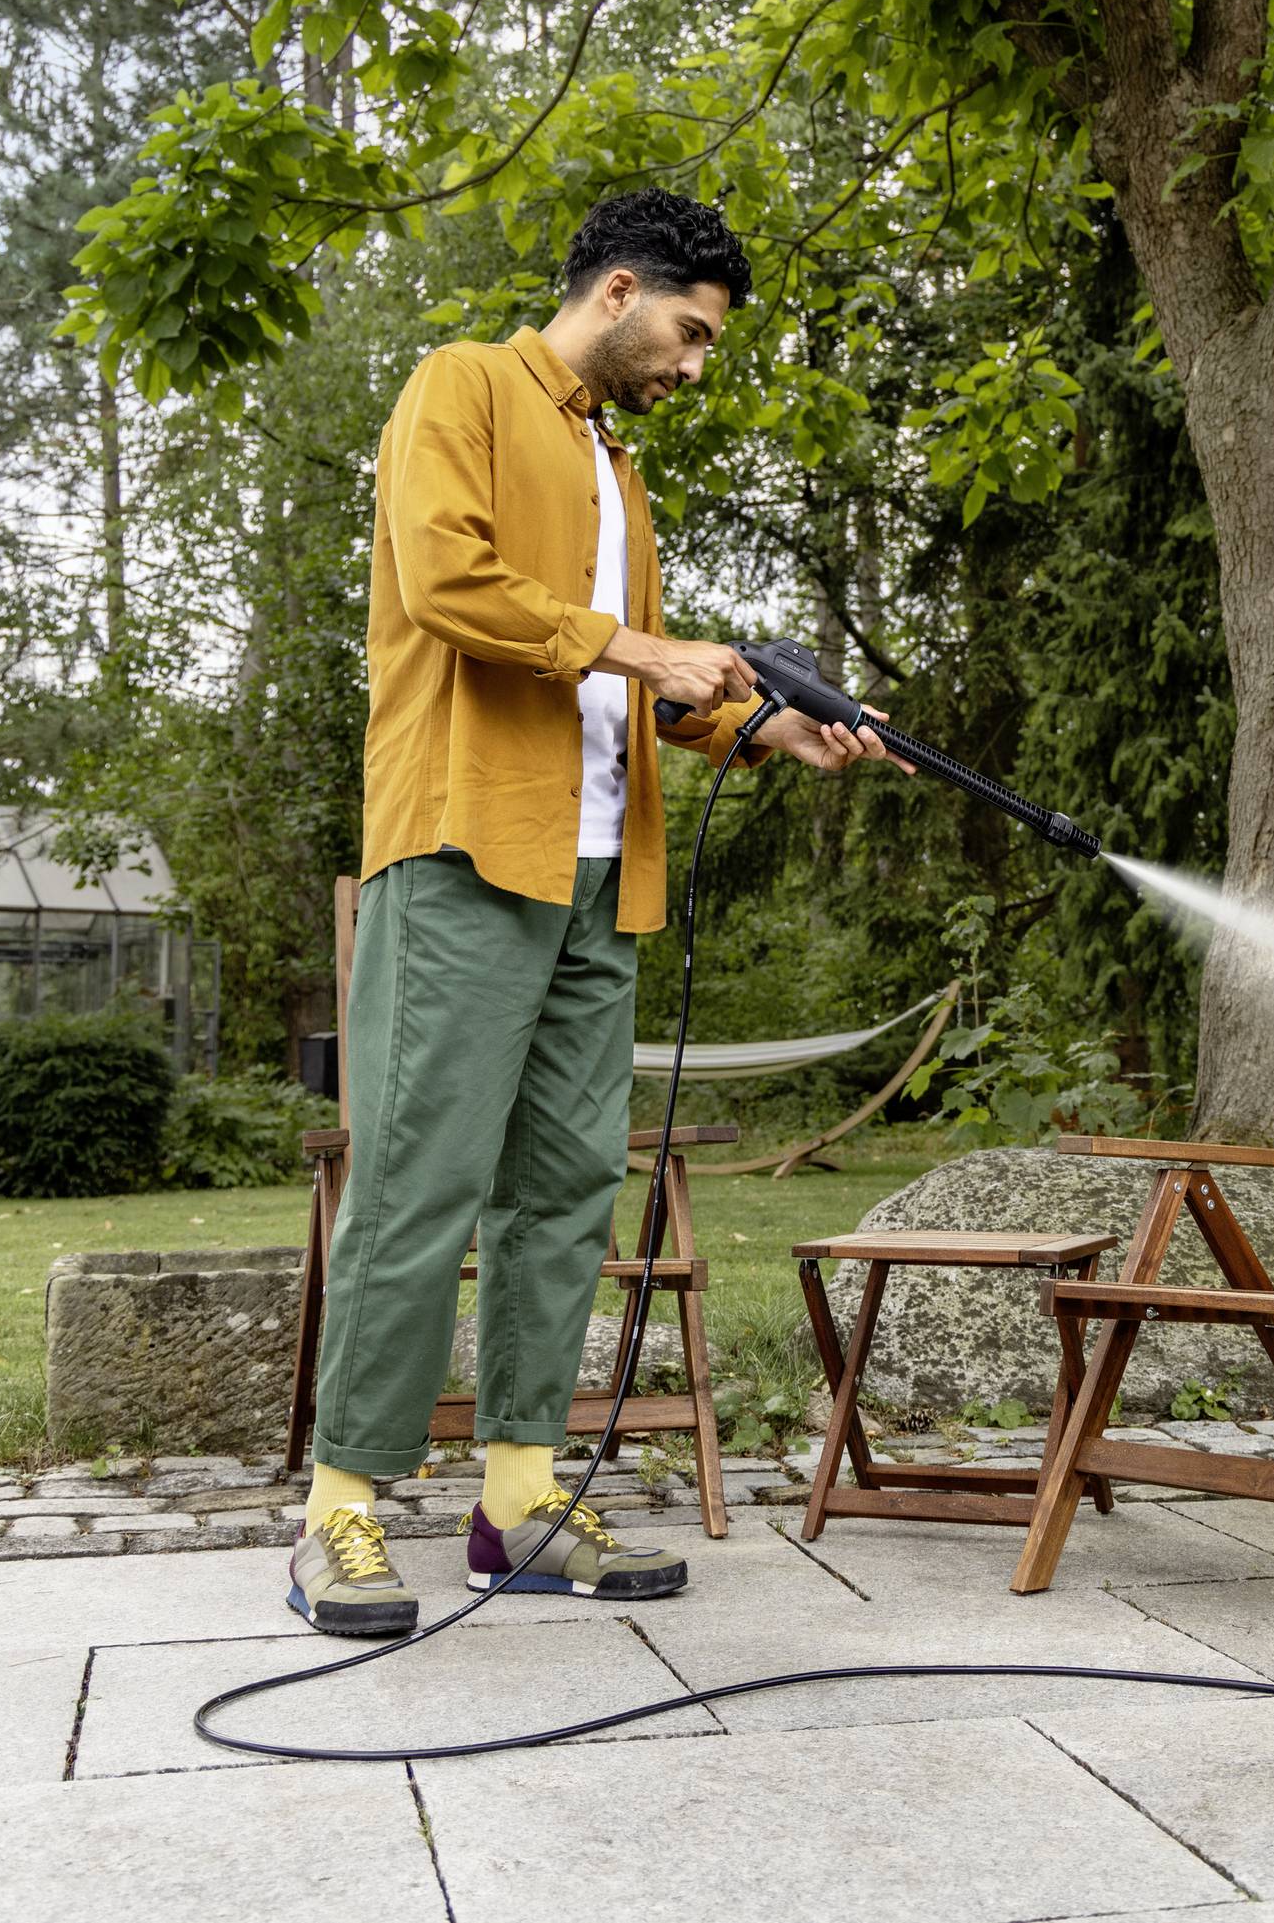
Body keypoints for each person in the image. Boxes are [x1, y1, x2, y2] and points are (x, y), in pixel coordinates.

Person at [290, 188, 899, 1634]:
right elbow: (452, 586)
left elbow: (633, 687)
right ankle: (341, 1512)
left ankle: (516, 1503)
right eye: (689, 332)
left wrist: (769, 730)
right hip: (462, 852)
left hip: (598, 877)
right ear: (619, 290)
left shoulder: (617, 472)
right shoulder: (463, 386)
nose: (694, 363)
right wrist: (646, 644)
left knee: (563, 1193)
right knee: (421, 1181)